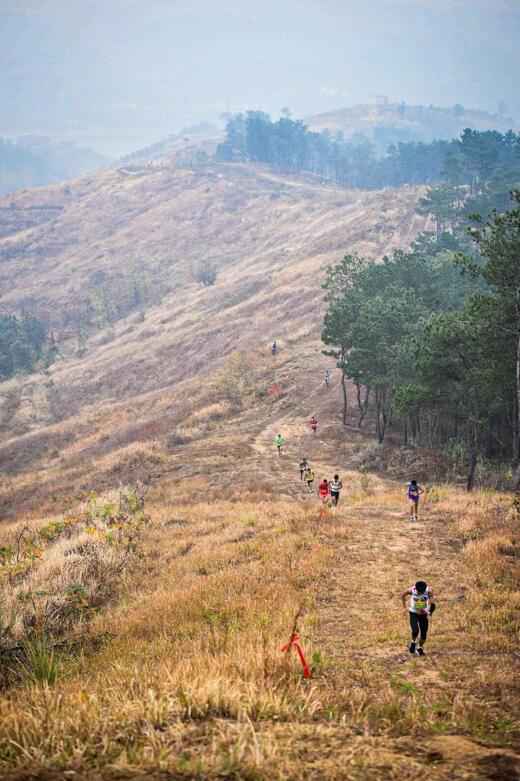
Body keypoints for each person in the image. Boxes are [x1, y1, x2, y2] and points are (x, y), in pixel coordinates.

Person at [401, 580, 435, 656]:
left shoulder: (429, 591)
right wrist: (404, 607)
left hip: (423, 614)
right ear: (416, 589)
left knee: (424, 634)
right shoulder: (411, 590)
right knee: (415, 630)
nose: (420, 594)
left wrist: (429, 612)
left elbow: (433, 604)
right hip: (413, 613)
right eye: (419, 592)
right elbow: (403, 595)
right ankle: (413, 642)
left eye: (421, 592)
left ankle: (419, 647)